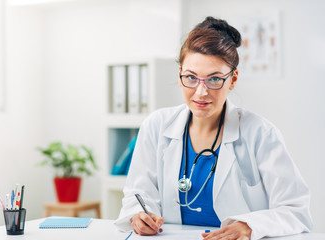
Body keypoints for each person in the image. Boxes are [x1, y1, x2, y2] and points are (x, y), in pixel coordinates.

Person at [114, 16, 313, 240]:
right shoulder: (156, 126)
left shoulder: (260, 134)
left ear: (233, 79)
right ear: (179, 76)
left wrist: (250, 226)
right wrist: (139, 216)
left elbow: (296, 211)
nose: (201, 92)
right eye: (191, 77)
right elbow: (137, 194)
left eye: (214, 79)